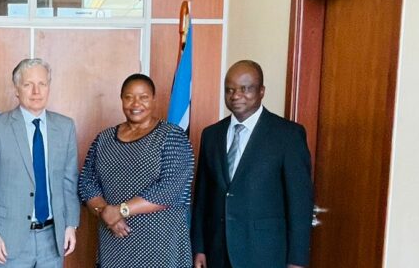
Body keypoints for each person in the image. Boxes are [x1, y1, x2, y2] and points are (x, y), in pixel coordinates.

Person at [191, 60, 313, 268]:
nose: (236, 95)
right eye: (230, 89)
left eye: (245, 89)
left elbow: (300, 204)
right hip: (217, 251)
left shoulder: (288, 135)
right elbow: (202, 197)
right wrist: (199, 246)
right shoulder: (211, 135)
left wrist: (297, 260)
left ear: (261, 91)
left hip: (265, 254)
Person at [78, 73, 194, 268]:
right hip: (114, 244)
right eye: (129, 97)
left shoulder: (172, 137)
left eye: (143, 97)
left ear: (154, 99)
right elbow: (86, 183)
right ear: (121, 99)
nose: (135, 103)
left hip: (160, 247)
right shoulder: (104, 139)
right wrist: (105, 212)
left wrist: (121, 211)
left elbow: (170, 189)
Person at [0, 58, 79, 267]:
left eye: (42, 84)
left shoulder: (65, 127)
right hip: (7, 239)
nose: (36, 91)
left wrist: (71, 225)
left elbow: (69, 180)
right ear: (16, 89)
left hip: (52, 237)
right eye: (28, 84)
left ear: (49, 87)